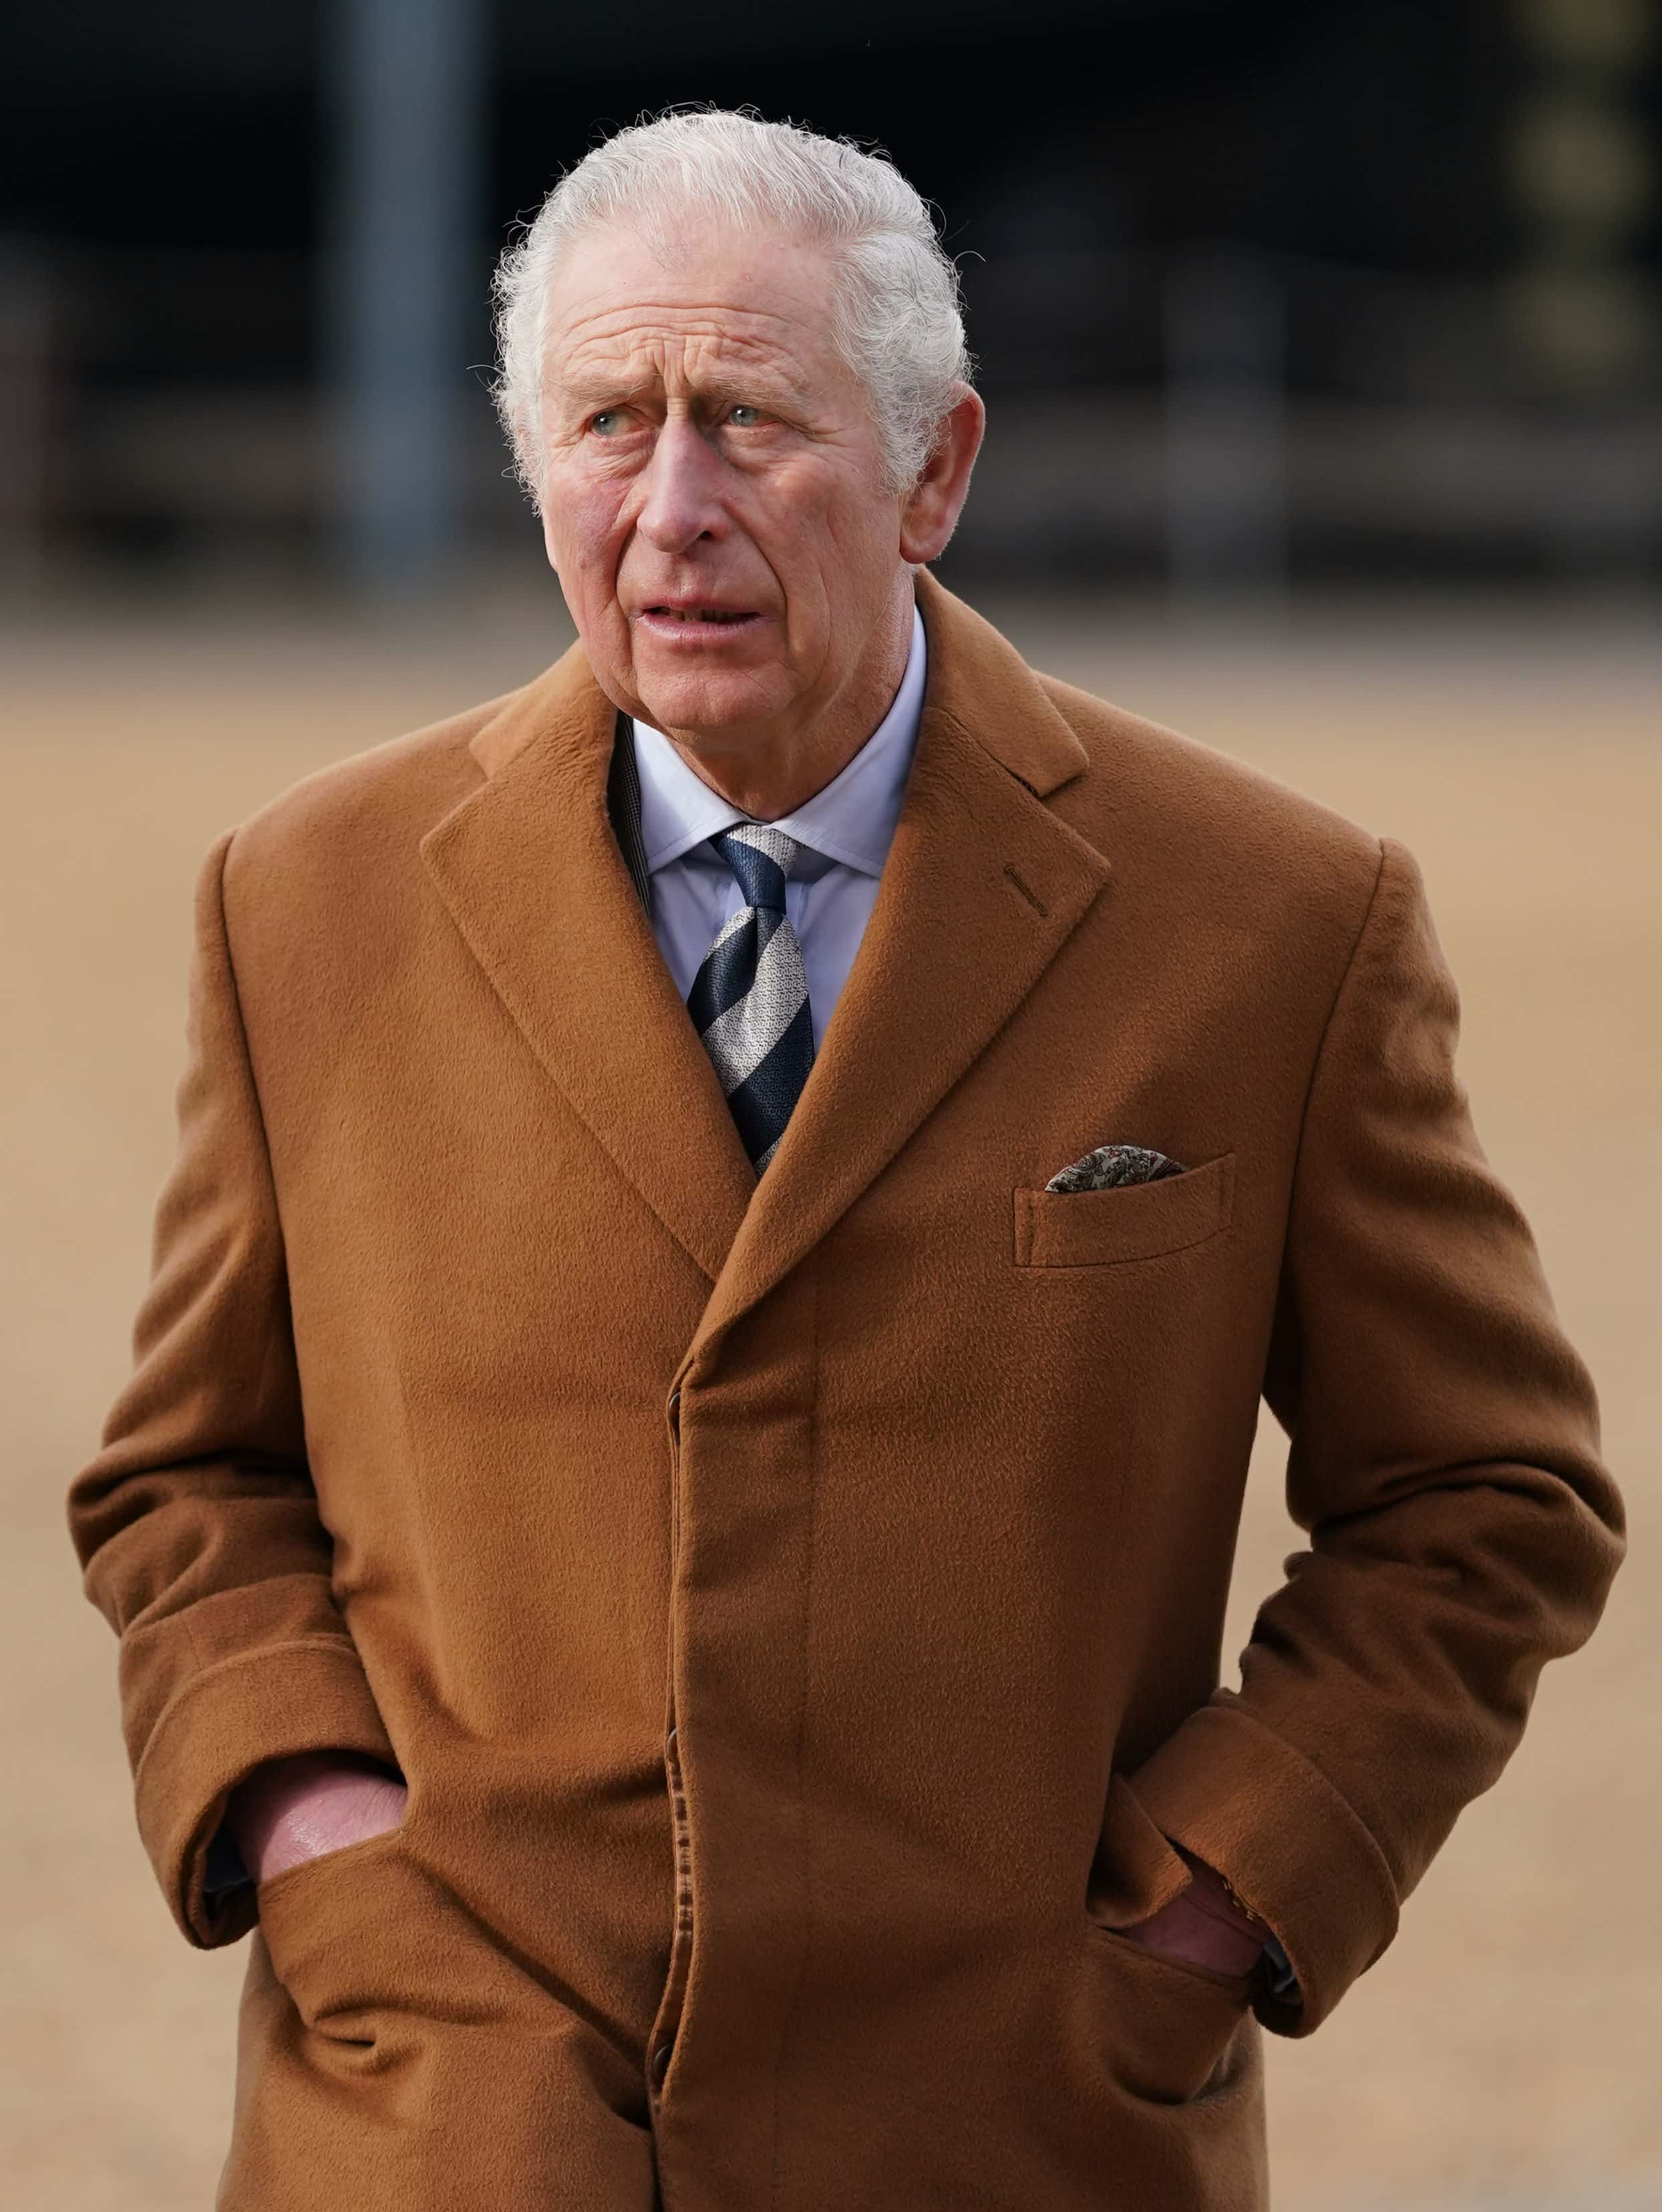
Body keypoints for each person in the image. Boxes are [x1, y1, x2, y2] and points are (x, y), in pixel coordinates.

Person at [67, 109, 1624, 2212]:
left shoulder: (1273, 922)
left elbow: (1486, 1495)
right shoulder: (303, 899)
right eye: (607, 422)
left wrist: (1219, 1897)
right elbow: (190, 1474)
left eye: (752, 422)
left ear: (935, 472)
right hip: (443, 2130)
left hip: (1019, 2129)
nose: (672, 510)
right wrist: (307, 1821)